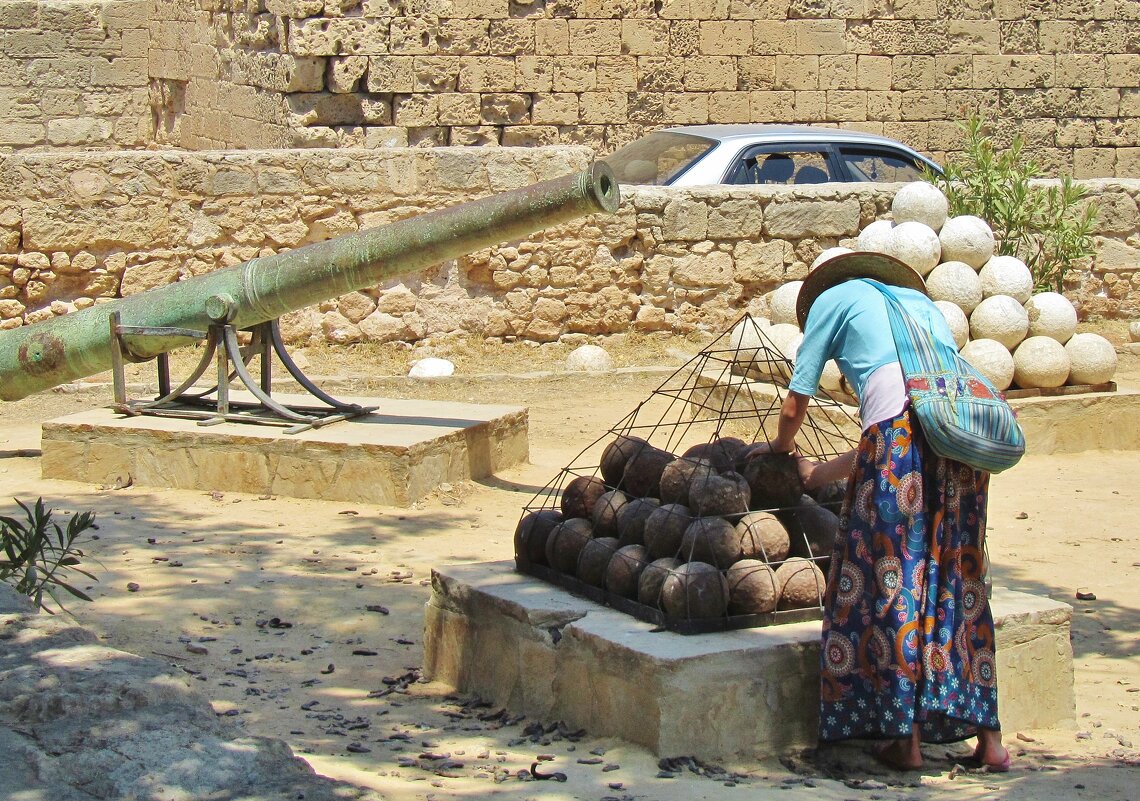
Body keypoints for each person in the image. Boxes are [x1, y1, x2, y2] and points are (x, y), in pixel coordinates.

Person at [759, 252, 1010, 772]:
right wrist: (817, 476)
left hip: (900, 437)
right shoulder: (919, 303)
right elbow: (903, 427)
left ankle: (906, 740)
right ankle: (990, 741)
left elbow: (795, 406)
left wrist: (778, 451)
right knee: (955, 579)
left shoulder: (832, 300)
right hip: (957, 438)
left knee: (893, 575)